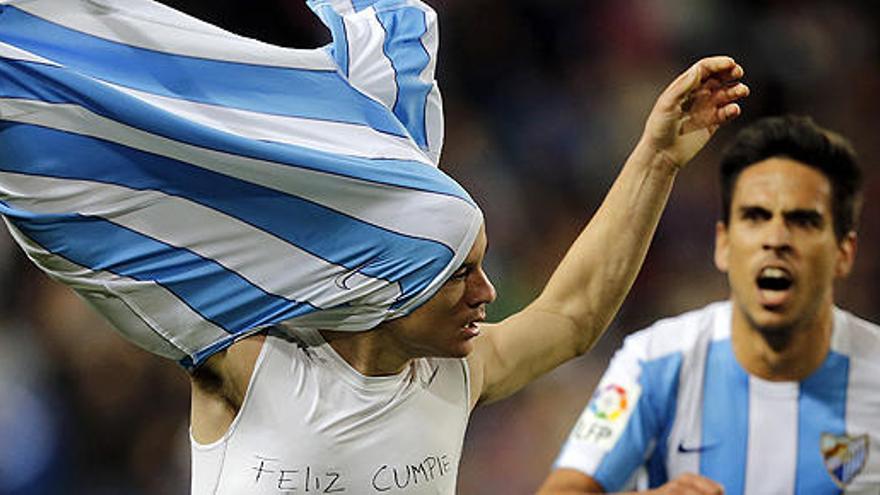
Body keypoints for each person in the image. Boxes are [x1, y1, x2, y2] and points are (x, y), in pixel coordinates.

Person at [0, 0, 747, 493]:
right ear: (389, 286)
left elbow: (575, 313)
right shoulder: (251, 365)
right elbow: (109, 259)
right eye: (461, 275)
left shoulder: (451, 376)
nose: (488, 293)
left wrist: (656, 157)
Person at [539, 115, 880, 495]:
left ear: (844, 253)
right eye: (755, 216)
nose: (776, 238)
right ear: (723, 243)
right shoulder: (655, 362)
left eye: (803, 221)